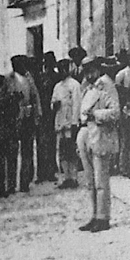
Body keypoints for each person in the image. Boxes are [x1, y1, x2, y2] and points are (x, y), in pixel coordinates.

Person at [77, 56, 120, 233]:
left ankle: (103, 217)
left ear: (97, 69)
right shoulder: (88, 88)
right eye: (85, 71)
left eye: (91, 70)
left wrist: (96, 114)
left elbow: (115, 112)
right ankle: (94, 215)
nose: (88, 74)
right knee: (90, 180)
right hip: (88, 134)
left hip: (102, 135)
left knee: (101, 179)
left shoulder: (106, 85)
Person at [5, 55, 43, 193]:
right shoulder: (8, 78)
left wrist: (37, 115)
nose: (19, 67)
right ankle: (10, 184)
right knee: (12, 151)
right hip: (13, 118)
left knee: (27, 150)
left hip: (27, 117)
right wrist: (12, 99)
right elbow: (3, 97)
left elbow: (35, 96)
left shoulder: (29, 78)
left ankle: (25, 181)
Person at [51, 59, 82, 189]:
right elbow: (52, 103)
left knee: (71, 151)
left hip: (70, 121)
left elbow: (77, 104)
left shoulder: (74, 85)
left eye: (64, 68)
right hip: (60, 121)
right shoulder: (57, 86)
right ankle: (65, 177)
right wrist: (54, 105)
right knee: (62, 151)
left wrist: (75, 122)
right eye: (60, 69)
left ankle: (73, 178)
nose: (62, 71)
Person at [34, 52, 59, 184]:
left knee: (51, 143)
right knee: (41, 143)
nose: (48, 65)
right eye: (46, 63)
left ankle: (50, 171)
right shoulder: (40, 77)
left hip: (52, 114)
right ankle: (41, 173)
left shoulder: (57, 77)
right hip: (42, 113)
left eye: (49, 63)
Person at [114, 49, 130, 176]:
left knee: (125, 139)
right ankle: (124, 167)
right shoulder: (124, 73)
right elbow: (125, 92)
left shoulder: (122, 73)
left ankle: (123, 166)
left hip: (127, 108)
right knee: (126, 139)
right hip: (126, 109)